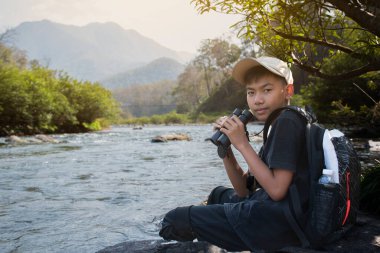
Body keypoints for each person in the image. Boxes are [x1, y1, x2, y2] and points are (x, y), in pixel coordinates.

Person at [159, 56, 309, 251]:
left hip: (278, 226)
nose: (258, 100)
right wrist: (227, 148)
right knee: (217, 194)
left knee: (174, 220)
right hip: (279, 215)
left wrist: (242, 143)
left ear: (287, 90)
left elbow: (277, 190)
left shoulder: (287, 122)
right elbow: (243, 190)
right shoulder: (279, 123)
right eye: (251, 92)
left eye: (267, 90)